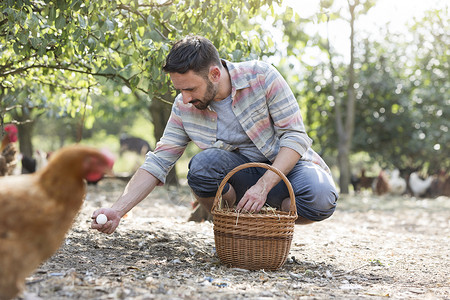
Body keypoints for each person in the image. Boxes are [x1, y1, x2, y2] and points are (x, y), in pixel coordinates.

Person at [91, 35, 338, 234]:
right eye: (179, 90)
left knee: (321, 198)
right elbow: (158, 162)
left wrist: (263, 187)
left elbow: (295, 137)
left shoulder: (262, 77)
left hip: (287, 170)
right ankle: (233, 225)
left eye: (190, 89)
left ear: (215, 74)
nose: (185, 98)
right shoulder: (183, 106)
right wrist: (117, 210)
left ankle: (272, 223)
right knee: (201, 167)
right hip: (239, 177)